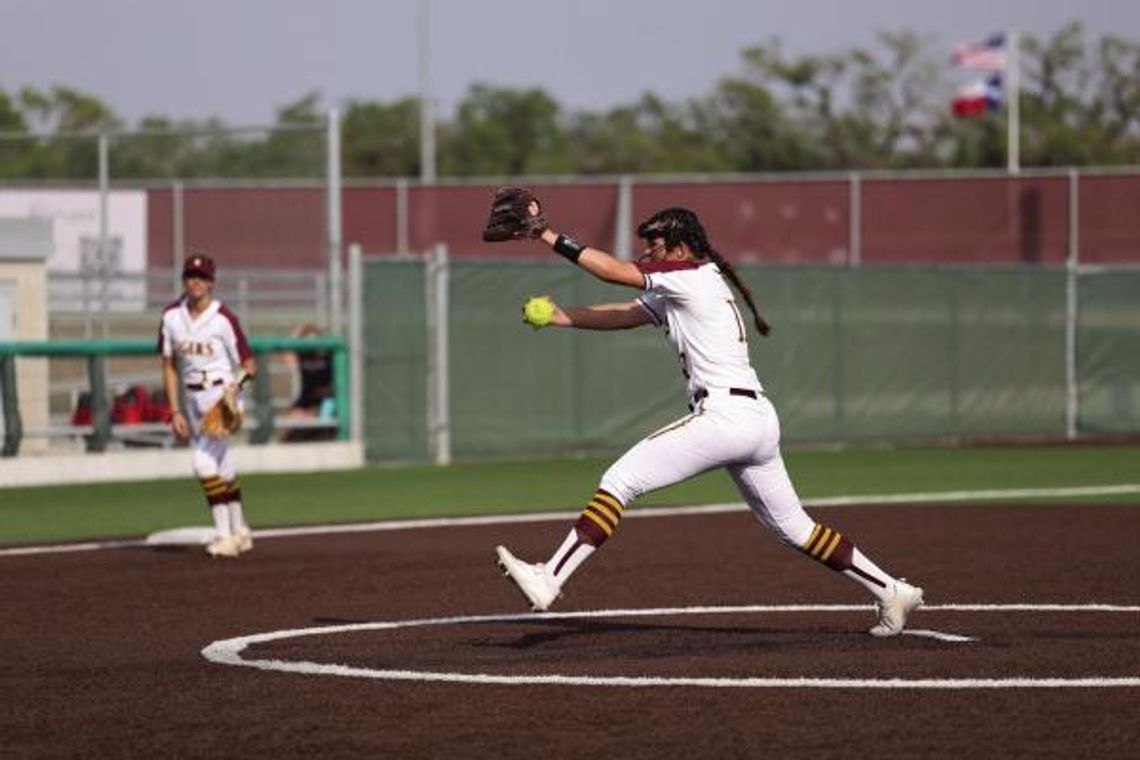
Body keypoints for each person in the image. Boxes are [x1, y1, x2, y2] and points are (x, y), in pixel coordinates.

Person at [494, 204, 924, 637]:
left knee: (621, 480)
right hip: (754, 419)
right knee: (796, 529)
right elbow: (625, 315)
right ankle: (890, 589)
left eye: (658, 245)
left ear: (683, 248)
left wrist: (546, 234)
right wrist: (559, 316)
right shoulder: (687, 285)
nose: (649, 252)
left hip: (725, 416)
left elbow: (611, 271)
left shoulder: (691, 277)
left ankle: (549, 578)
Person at [158, 254, 258, 559]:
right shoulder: (171, 317)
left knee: (203, 464)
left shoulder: (223, 317)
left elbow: (250, 364)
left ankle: (225, 536)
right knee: (224, 468)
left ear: (211, 282)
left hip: (222, 397)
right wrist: (174, 410)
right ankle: (240, 530)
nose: (195, 282)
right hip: (192, 399)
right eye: (190, 276)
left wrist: (236, 387)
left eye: (201, 277)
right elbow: (169, 365)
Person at [278, 324, 335, 442]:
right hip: (307, 398)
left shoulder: (328, 357)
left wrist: (312, 411)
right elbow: (286, 355)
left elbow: (331, 388)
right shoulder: (302, 355)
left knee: (319, 415)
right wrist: (297, 335)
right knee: (289, 421)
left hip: (324, 400)